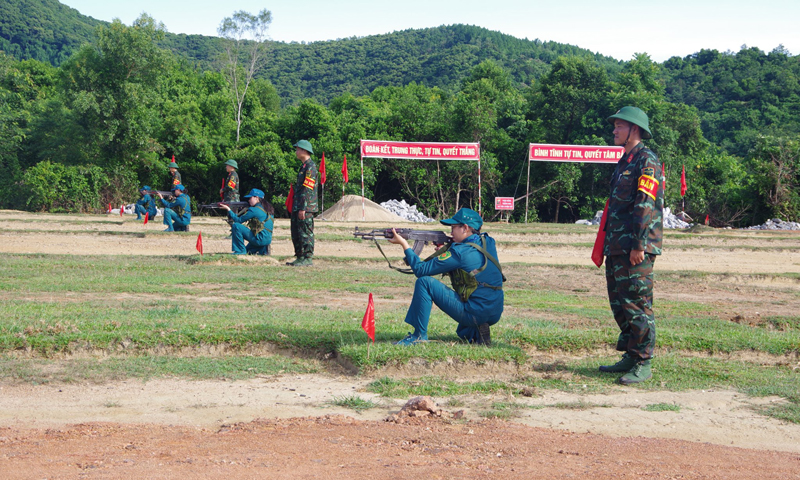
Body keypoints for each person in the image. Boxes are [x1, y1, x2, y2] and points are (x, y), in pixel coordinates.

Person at [599, 106, 664, 385]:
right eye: (614, 125)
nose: (614, 130)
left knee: (637, 303)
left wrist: (639, 245)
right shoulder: (624, 161)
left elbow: (645, 204)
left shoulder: (646, 161)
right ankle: (630, 354)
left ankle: (643, 361)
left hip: (636, 248)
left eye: (619, 126)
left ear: (634, 129)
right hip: (616, 246)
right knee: (619, 303)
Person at [387, 208, 504, 346]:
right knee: (465, 327)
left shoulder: (459, 252)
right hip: (495, 311)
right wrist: (447, 251)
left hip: (475, 313)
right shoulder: (488, 241)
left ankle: (418, 336)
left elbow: (420, 270)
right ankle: (475, 331)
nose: (451, 232)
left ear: (465, 228)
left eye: (453, 227)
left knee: (424, 282)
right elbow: (470, 263)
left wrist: (404, 244)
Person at [286, 139, 319, 267]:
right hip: (298, 205)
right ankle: (300, 256)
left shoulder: (311, 167)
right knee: (296, 232)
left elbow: (308, 189)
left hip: (305, 206)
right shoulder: (303, 166)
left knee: (305, 232)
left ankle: (307, 257)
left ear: (304, 150)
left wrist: (303, 208)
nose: (296, 151)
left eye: (298, 149)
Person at [220, 188, 274, 255]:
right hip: (266, 240)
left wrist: (228, 209)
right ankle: (262, 249)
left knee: (236, 226)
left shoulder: (254, 210)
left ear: (256, 198)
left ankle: (240, 251)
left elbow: (238, 220)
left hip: (259, 239)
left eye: (250, 198)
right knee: (248, 252)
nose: (248, 200)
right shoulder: (268, 209)